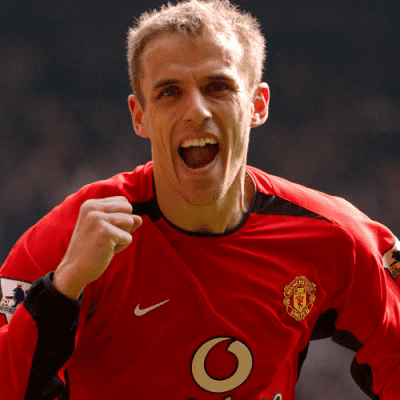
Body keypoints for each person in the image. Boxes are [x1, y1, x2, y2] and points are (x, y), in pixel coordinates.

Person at [0, 0, 399, 398]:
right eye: (170, 92)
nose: (196, 110)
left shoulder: (334, 237)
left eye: (217, 87)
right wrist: (61, 291)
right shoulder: (74, 237)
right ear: (139, 116)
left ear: (257, 105)